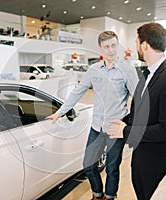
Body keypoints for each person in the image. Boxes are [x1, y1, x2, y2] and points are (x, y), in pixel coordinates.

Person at [46, 31, 138, 200]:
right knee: (88, 165)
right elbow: (77, 92)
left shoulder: (127, 69)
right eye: (106, 46)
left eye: (113, 45)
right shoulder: (94, 70)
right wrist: (59, 113)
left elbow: (138, 98)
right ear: (100, 48)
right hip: (97, 126)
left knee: (112, 168)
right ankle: (97, 194)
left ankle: (110, 197)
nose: (111, 50)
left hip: (115, 128)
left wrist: (129, 125)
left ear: (117, 45)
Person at [107, 22, 166, 200]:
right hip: (141, 159)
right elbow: (141, 111)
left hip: (155, 165)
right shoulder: (146, 74)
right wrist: (124, 121)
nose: (135, 48)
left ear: (145, 45)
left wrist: (125, 131)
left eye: (136, 43)